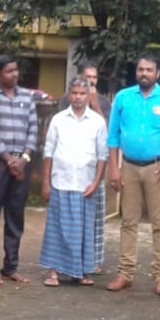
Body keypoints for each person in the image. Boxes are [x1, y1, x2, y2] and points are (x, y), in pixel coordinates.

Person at [105, 54, 160, 296]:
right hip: (128, 166)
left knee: (159, 223)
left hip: (157, 167)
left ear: (157, 73)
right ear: (136, 72)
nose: (144, 73)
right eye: (140, 69)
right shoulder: (123, 97)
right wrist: (115, 168)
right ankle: (125, 273)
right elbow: (113, 136)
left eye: (149, 70)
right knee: (128, 221)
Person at [39, 77, 108, 287]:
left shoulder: (97, 121)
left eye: (82, 93)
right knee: (57, 230)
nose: (78, 97)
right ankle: (54, 273)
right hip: (61, 182)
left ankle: (80, 273)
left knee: (83, 231)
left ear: (88, 96)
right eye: (75, 93)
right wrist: (46, 182)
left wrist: (96, 183)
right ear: (69, 94)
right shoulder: (59, 119)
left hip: (85, 185)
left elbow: (102, 156)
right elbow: (48, 151)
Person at [0, 54, 39, 285]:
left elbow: (33, 129)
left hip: (22, 163)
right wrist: (8, 160)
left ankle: (11, 266)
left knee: (16, 217)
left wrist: (23, 159)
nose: (14, 74)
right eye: (8, 71)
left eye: (15, 70)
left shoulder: (27, 96)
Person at [58, 62, 108, 274]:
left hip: (95, 170)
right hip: (69, 170)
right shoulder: (65, 100)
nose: (91, 81)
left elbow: (108, 135)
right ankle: (68, 261)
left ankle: (93, 261)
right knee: (69, 218)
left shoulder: (104, 102)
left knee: (94, 218)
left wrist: (95, 105)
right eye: (87, 77)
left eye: (94, 78)